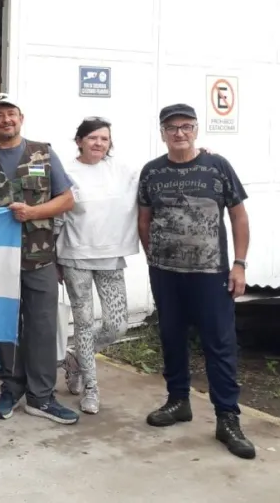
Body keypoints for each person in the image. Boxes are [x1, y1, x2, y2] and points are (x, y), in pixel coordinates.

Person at [137, 103, 254, 460]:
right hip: (166, 275)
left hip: (211, 274)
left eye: (186, 126)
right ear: (162, 133)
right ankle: (178, 402)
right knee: (172, 338)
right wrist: (154, 258)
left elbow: (239, 217)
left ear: (197, 129)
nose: (179, 133)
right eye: (171, 128)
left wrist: (239, 265)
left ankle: (227, 418)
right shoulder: (152, 172)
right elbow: (144, 220)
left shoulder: (216, 166)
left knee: (219, 344)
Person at [0, 92, 79, 425]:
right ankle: (11, 388)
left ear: (21, 118)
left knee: (41, 328)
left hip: (39, 259)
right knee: (6, 328)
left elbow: (67, 200)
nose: (6, 120)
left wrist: (33, 212)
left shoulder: (44, 152)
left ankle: (41, 396)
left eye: (11, 114)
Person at [56, 117, 137, 415]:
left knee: (117, 326)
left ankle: (76, 357)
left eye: (104, 139)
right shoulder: (65, 171)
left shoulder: (122, 171)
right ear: (79, 140)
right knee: (84, 322)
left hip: (111, 255)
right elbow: (56, 213)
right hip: (75, 254)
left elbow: (154, 178)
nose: (99, 143)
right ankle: (91, 387)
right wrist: (53, 259)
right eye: (92, 138)